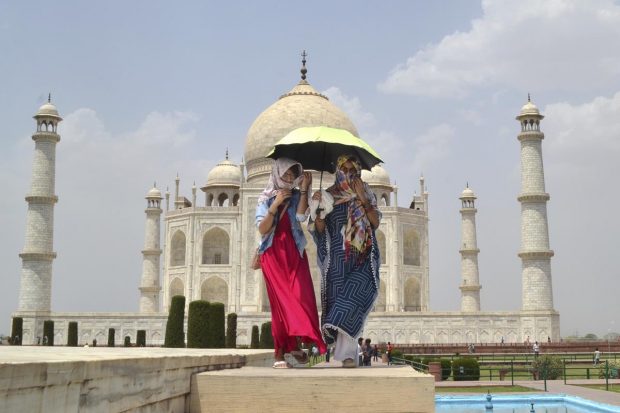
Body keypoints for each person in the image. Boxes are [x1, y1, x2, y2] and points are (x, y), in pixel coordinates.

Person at [310, 155, 382, 368]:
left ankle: (348, 355)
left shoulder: (366, 192)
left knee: (352, 301)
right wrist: (320, 215)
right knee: (339, 304)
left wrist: (362, 198)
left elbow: (375, 223)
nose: (350, 172)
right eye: (345, 168)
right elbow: (320, 231)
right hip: (338, 260)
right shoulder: (328, 195)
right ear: (338, 170)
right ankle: (345, 354)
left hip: (362, 256)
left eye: (354, 168)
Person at [256, 157, 327, 368]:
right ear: (277, 173)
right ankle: (280, 353)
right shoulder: (265, 199)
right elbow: (263, 229)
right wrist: (276, 204)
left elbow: (300, 218)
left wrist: (305, 189)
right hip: (272, 254)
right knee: (280, 304)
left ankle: (295, 344)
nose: (289, 178)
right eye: (286, 173)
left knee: (301, 298)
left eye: (292, 174)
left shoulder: (296, 196)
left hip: (295, 252)